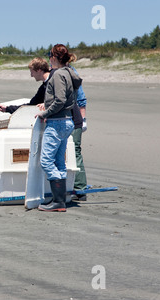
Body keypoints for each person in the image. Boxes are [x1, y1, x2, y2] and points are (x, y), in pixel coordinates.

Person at [35, 44, 82, 212]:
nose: (48, 59)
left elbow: (60, 100)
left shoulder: (58, 75)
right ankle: (60, 201)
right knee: (59, 161)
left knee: (46, 161)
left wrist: (45, 113)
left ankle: (58, 201)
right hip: (67, 121)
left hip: (57, 122)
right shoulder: (70, 73)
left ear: (54, 58)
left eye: (49, 56)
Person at [67, 55, 88, 200]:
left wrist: (83, 119)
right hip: (67, 118)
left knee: (75, 151)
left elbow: (81, 98)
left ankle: (80, 188)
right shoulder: (58, 72)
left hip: (75, 119)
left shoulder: (71, 73)